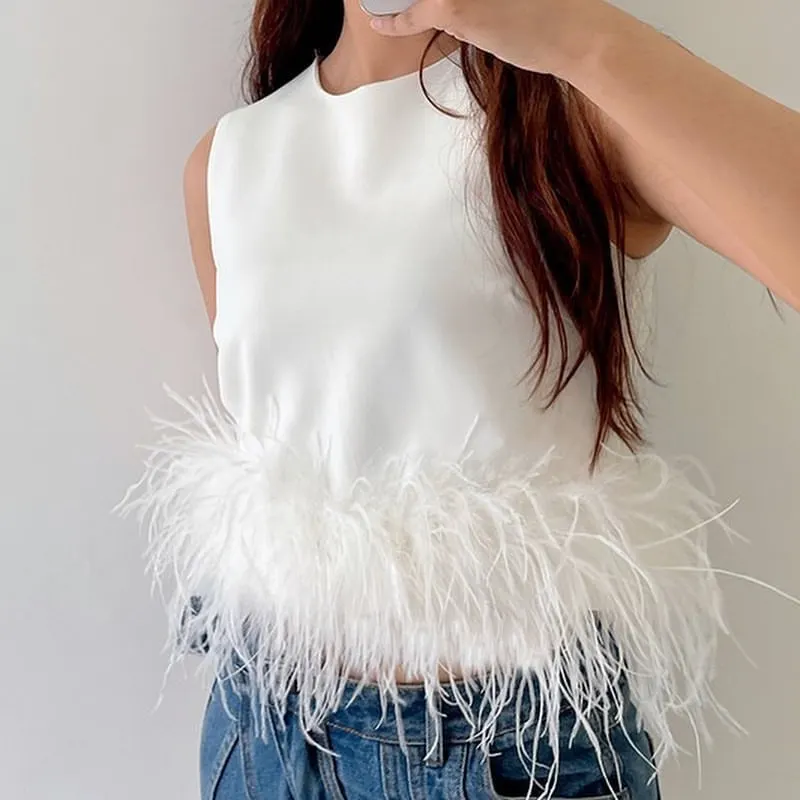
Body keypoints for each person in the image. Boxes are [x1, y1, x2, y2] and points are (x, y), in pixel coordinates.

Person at [116, 0, 800, 798]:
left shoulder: (563, 109)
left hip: (509, 747)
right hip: (266, 734)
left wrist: (575, 36)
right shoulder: (228, 159)